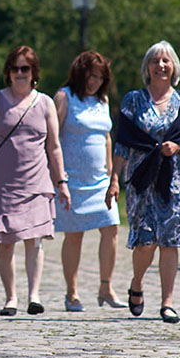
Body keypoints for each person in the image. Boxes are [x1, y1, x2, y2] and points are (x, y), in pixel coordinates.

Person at [0, 45, 71, 316]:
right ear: (8, 73)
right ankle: (11, 297)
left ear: (34, 73)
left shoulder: (44, 103)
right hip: (3, 184)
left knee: (35, 240)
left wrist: (62, 182)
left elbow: (54, 146)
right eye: (15, 68)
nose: (20, 73)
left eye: (26, 68)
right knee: (6, 241)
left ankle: (34, 295)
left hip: (36, 182)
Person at [110, 40, 180, 325]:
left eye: (166, 60)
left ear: (174, 67)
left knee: (170, 242)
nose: (161, 65)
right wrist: (114, 178)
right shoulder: (133, 100)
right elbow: (123, 144)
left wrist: (177, 147)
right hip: (142, 180)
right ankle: (137, 283)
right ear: (147, 68)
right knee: (145, 241)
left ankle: (167, 303)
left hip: (176, 181)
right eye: (155, 61)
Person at [54, 51, 125, 311]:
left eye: (99, 77)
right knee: (74, 236)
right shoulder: (64, 97)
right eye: (90, 75)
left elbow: (107, 137)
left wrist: (111, 176)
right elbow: (52, 138)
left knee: (111, 229)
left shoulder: (102, 101)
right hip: (71, 180)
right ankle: (72, 292)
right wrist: (58, 177)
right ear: (79, 73)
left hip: (100, 182)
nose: (94, 81)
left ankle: (105, 287)